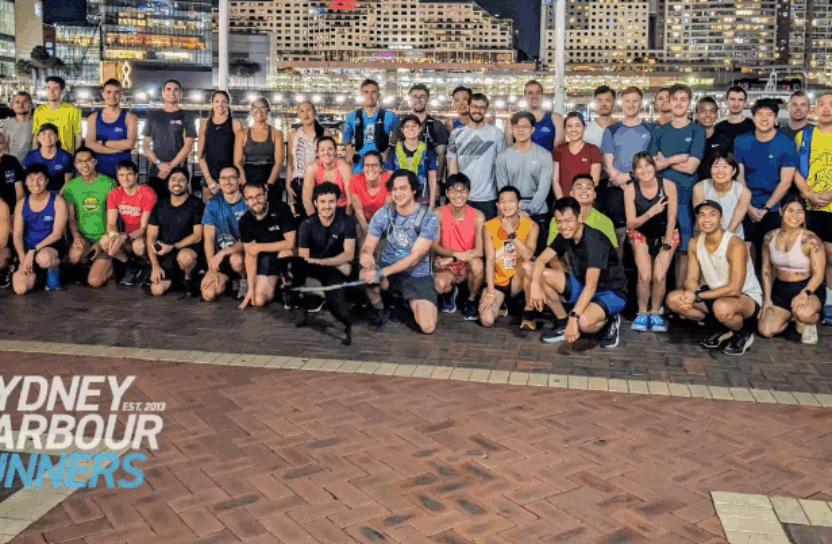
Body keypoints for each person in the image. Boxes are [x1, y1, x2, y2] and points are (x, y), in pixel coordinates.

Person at [527, 197, 627, 347]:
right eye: (559, 221)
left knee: (583, 323)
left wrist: (574, 318)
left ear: (579, 218)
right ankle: (562, 323)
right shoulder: (564, 235)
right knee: (541, 274)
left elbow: (591, 286)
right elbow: (540, 260)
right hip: (584, 286)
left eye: (568, 221)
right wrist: (534, 284)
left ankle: (610, 319)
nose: (563, 226)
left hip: (611, 292)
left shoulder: (594, 241)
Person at [666, 200, 763, 355]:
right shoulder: (694, 243)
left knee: (722, 308)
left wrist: (698, 296)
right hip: (715, 293)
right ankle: (721, 325)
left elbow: (735, 289)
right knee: (674, 299)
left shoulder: (734, 243)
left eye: (712, 215)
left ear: (721, 219)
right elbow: (691, 278)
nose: (706, 219)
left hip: (745, 297)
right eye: (702, 215)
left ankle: (742, 331)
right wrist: (690, 293)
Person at [359, 169, 440, 334]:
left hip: (416, 275)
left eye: (403, 188)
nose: (397, 193)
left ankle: (404, 302)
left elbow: (414, 259)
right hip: (388, 270)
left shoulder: (428, 217)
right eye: (394, 189)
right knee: (364, 274)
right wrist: (365, 256)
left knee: (428, 327)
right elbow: (367, 246)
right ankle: (380, 308)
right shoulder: (383, 214)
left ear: (414, 190)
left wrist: (381, 272)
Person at [650, 83, 705, 282]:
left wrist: (664, 160)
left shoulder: (697, 131)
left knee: (684, 251)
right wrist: (675, 159)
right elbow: (651, 167)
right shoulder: (659, 132)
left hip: (685, 200)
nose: (679, 103)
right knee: (660, 249)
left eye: (683, 99)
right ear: (669, 102)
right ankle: (659, 294)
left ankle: (680, 294)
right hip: (661, 200)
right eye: (675, 99)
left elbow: (691, 167)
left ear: (689, 103)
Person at [758, 195, 825, 345]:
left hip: (807, 287)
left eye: (800, 212)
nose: (795, 216)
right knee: (765, 330)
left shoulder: (811, 240)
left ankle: (808, 321)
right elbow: (766, 269)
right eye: (790, 210)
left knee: (804, 313)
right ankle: (792, 318)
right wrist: (767, 299)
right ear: (781, 211)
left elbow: (819, 274)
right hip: (781, 288)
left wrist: (805, 293)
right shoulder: (769, 237)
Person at [623, 152, 679, 332]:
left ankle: (655, 311)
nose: (644, 170)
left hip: (666, 233)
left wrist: (666, 244)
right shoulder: (630, 190)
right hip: (640, 233)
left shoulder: (668, 185)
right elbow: (631, 224)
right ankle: (642, 312)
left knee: (659, 276)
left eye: (647, 165)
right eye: (639, 167)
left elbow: (672, 219)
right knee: (645, 275)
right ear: (634, 172)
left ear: (654, 167)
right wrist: (651, 212)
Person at [734, 99, 797, 256]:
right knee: (745, 251)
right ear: (753, 118)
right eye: (759, 114)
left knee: (773, 252)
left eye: (769, 115)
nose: (764, 118)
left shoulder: (786, 142)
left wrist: (767, 208)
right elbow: (739, 177)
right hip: (747, 203)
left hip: (775, 206)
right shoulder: (742, 141)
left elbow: (786, 181)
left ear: (775, 119)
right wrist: (749, 207)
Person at [793, 91, 832, 322]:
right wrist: (808, 194)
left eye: (831, 104)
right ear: (815, 109)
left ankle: (829, 300)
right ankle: (810, 299)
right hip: (810, 206)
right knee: (810, 255)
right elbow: (795, 169)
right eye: (822, 104)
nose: (826, 109)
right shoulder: (804, 136)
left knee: (831, 256)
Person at [601, 86, 654, 253]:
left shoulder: (651, 130)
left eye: (635, 101)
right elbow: (608, 164)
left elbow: (652, 163)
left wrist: (630, 178)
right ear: (621, 104)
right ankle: (619, 270)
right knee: (618, 236)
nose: (631, 105)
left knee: (641, 236)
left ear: (641, 104)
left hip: (642, 188)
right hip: (617, 189)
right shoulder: (611, 130)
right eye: (627, 101)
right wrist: (625, 187)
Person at [479, 186, 538, 328]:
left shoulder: (532, 226)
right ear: (497, 205)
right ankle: (504, 305)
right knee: (487, 320)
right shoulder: (489, 226)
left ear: (519, 204)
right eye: (502, 202)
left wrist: (511, 232)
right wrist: (490, 293)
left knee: (529, 266)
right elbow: (489, 261)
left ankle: (528, 311)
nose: (506, 205)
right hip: (499, 280)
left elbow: (528, 255)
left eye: (511, 201)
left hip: (519, 279)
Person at [495, 111, 553, 253]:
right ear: (512, 129)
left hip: (538, 212)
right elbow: (503, 188)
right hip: (510, 213)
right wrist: (512, 211)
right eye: (517, 126)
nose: (521, 130)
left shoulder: (544, 155)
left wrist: (528, 211)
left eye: (525, 127)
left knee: (537, 256)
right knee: (510, 257)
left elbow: (544, 188)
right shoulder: (503, 157)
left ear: (532, 129)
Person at [297, 181, 357, 318]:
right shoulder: (306, 225)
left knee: (346, 268)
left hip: (337, 267)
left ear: (338, 202)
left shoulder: (347, 221)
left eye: (331, 201)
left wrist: (324, 262)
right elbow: (303, 259)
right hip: (316, 270)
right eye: (322, 202)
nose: (327, 206)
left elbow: (349, 254)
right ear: (315, 203)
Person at [433, 174, 485, 320]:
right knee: (439, 285)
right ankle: (450, 293)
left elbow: (480, 251)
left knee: (478, 265)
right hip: (447, 265)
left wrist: (455, 257)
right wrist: (453, 255)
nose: (458, 195)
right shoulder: (438, 214)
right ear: (447, 193)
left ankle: (471, 300)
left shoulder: (478, 216)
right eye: (454, 191)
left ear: (468, 194)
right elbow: (434, 246)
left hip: (467, 263)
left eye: (462, 191)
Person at [146, 167, 204, 297]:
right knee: (156, 290)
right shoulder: (160, 205)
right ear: (168, 184)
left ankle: (188, 279)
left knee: (185, 257)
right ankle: (175, 281)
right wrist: (155, 266)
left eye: (182, 180)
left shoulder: (197, 204)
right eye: (173, 179)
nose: (177, 183)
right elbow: (151, 238)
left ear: (187, 184)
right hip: (167, 255)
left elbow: (198, 235)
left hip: (188, 252)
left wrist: (173, 246)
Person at [63, 147, 117, 287]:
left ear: (95, 162)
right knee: (75, 255)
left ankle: (110, 264)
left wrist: (101, 243)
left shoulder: (109, 183)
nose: (84, 165)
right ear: (75, 165)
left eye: (88, 160)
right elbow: (71, 218)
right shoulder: (71, 187)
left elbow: (113, 220)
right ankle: (89, 261)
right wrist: (76, 237)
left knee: (94, 282)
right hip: (85, 237)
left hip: (105, 238)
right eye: (80, 161)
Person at [238, 182, 296, 309]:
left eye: (259, 196)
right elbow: (250, 255)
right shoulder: (245, 221)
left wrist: (259, 247)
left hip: (285, 256)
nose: (256, 201)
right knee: (258, 301)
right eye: (251, 198)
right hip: (266, 261)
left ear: (265, 194)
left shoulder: (281, 209)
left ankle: (290, 290)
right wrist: (251, 289)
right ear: (245, 201)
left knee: (286, 254)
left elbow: (290, 243)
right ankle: (277, 287)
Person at [11, 165, 68, 294]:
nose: (36, 183)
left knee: (44, 258)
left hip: (51, 247)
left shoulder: (57, 201)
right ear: (26, 182)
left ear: (46, 181)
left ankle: (53, 269)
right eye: (31, 179)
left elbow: (58, 234)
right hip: (29, 249)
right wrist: (22, 257)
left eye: (40, 179)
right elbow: (17, 235)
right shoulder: (21, 203)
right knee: (20, 289)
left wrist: (33, 251)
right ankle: (39, 275)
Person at [447, 93, 505, 219]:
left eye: (482, 107)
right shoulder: (456, 134)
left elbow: (501, 167)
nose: (477, 110)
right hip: (463, 197)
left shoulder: (496, 134)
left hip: (488, 197)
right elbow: (453, 166)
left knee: (487, 231)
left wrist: (502, 197)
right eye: (474, 106)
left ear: (486, 110)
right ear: (468, 107)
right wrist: (454, 193)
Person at [100, 159, 157, 286]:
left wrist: (125, 237)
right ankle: (130, 265)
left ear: (136, 175)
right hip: (125, 235)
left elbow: (144, 228)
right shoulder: (115, 194)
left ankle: (146, 265)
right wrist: (114, 236)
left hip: (143, 236)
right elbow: (111, 223)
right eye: (121, 175)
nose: (125, 179)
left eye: (129, 174)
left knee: (138, 246)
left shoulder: (147, 193)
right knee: (105, 241)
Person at [141, 79, 197, 200]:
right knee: (155, 206)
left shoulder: (187, 117)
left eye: (176, 90)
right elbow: (145, 146)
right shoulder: (153, 116)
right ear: (163, 93)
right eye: (168, 89)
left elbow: (188, 146)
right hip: (156, 172)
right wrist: (159, 164)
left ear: (180, 94)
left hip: (178, 173)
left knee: (179, 205)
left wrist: (170, 167)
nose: (172, 93)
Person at [201, 166, 248, 302]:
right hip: (221, 259)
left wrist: (223, 253)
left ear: (239, 180)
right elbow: (209, 239)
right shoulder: (213, 204)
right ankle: (230, 282)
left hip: (244, 257)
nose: (227, 181)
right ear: (219, 183)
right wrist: (211, 269)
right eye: (223, 178)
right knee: (208, 294)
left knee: (236, 260)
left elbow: (249, 240)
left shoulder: (247, 203)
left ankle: (244, 279)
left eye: (232, 177)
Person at [390, 84, 450, 178]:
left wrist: (437, 180)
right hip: (403, 178)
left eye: (422, 97)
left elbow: (441, 155)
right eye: (415, 97)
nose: (418, 100)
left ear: (427, 99)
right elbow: (392, 153)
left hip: (429, 178)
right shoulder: (400, 126)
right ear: (409, 99)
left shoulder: (437, 126)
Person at [84, 79, 138, 180]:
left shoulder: (130, 117)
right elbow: (89, 144)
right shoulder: (93, 117)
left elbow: (130, 144)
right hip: (99, 171)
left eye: (116, 92)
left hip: (123, 174)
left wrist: (103, 143)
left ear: (121, 95)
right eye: (109, 92)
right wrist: (118, 149)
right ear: (103, 94)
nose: (112, 96)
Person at [692, 149, 751, 241]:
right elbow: (701, 219)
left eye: (725, 167)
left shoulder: (744, 192)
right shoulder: (700, 188)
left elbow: (734, 226)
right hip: (705, 236)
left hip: (732, 238)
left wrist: (721, 243)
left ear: (734, 171)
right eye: (715, 166)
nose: (720, 171)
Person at [344, 79, 399, 174]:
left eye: (373, 92)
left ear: (378, 95)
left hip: (383, 167)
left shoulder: (390, 116)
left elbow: (400, 136)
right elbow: (346, 139)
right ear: (361, 95)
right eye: (366, 92)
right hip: (359, 168)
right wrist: (349, 149)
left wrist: (389, 150)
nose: (369, 95)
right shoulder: (352, 117)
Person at [198, 90, 243, 203]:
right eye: (217, 101)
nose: (220, 105)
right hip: (210, 175)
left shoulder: (235, 124)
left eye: (223, 102)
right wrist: (209, 180)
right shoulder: (205, 124)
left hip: (230, 177)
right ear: (212, 103)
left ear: (228, 104)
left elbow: (240, 156)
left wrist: (236, 177)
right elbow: (200, 156)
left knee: (231, 209)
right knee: (209, 210)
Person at [548, 174, 618, 248]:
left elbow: (612, 251)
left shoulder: (605, 222)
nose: (584, 191)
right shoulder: (558, 220)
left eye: (588, 188)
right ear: (571, 193)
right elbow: (551, 250)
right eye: (579, 187)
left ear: (594, 194)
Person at [234, 98, 284, 199]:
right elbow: (237, 162)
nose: (259, 112)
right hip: (249, 176)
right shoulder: (242, 134)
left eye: (262, 109)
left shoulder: (277, 133)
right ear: (251, 111)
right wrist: (244, 183)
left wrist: (269, 184)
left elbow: (279, 162)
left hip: (270, 175)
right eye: (255, 109)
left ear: (268, 111)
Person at [385, 114, 438, 208]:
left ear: (420, 129)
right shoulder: (393, 151)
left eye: (414, 126)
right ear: (402, 130)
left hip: (421, 199)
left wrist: (432, 204)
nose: (411, 129)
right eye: (407, 126)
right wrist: (391, 202)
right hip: (399, 199)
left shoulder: (428, 150)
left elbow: (432, 179)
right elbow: (389, 177)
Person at [286, 100, 327, 215]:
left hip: (318, 182)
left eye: (309, 110)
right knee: (301, 218)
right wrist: (288, 185)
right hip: (298, 182)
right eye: (302, 111)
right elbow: (290, 162)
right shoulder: (294, 134)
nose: (306, 114)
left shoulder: (324, 134)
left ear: (315, 112)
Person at [504, 80, 565, 153]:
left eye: (538, 93)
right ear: (525, 96)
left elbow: (558, 152)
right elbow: (509, 150)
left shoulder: (556, 119)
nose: (534, 96)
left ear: (542, 95)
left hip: (548, 160)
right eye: (530, 93)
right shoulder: (512, 120)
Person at [552, 112, 602, 199]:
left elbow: (595, 181)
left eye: (577, 125)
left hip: (585, 200)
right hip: (563, 200)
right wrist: (562, 201)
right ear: (565, 129)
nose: (573, 129)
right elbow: (555, 180)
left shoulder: (593, 150)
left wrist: (582, 199)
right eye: (569, 126)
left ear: (584, 128)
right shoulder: (559, 150)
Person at [32, 76, 82, 155]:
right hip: (45, 156)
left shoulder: (73, 110)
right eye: (48, 88)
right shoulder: (39, 111)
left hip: (67, 156)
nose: (51, 91)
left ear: (62, 91)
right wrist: (35, 155)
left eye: (55, 88)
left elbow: (78, 136)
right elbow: (36, 137)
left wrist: (76, 156)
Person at [303, 136, 352, 216]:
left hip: (341, 210)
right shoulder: (312, 168)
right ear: (317, 153)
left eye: (330, 149)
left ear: (336, 151)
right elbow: (307, 200)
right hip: (321, 211)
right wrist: (314, 220)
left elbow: (351, 199)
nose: (326, 153)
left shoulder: (344, 167)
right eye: (322, 150)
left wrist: (347, 219)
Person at [349, 151, 391, 238]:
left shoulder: (388, 179)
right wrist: (366, 229)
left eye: (375, 165)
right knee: (358, 229)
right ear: (363, 168)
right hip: (364, 221)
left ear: (381, 168)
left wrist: (375, 232)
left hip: (384, 221)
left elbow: (386, 209)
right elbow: (358, 210)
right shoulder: (355, 180)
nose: (371, 169)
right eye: (367, 165)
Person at [24, 124, 72, 192]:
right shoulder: (31, 157)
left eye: (51, 134)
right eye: (43, 133)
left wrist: (58, 197)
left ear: (57, 138)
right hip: (37, 192)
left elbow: (68, 183)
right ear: (38, 138)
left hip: (59, 193)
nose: (47, 136)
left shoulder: (66, 157)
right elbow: (28, 181)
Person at [695, 97, 733, 182]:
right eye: (703, 111)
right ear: (696, 115)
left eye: (711, 111)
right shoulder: (689, 137)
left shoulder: (724, 139)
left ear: (716, 115)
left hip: (717, 185)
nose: (708, 115)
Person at [4, 91, 34, 164]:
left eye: (25, 102)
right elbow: (4, 148)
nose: (21, 105)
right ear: (12, 106)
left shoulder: (36, 124)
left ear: (31, 105)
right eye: (17, 102)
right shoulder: (7, 124)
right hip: (12, 166)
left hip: (31, 166)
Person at [0, 133, 25, 213]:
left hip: (12, 210)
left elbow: (19, 191)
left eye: (1, 143)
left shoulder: (12, 161)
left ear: (5, 145)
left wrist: (17, 212)